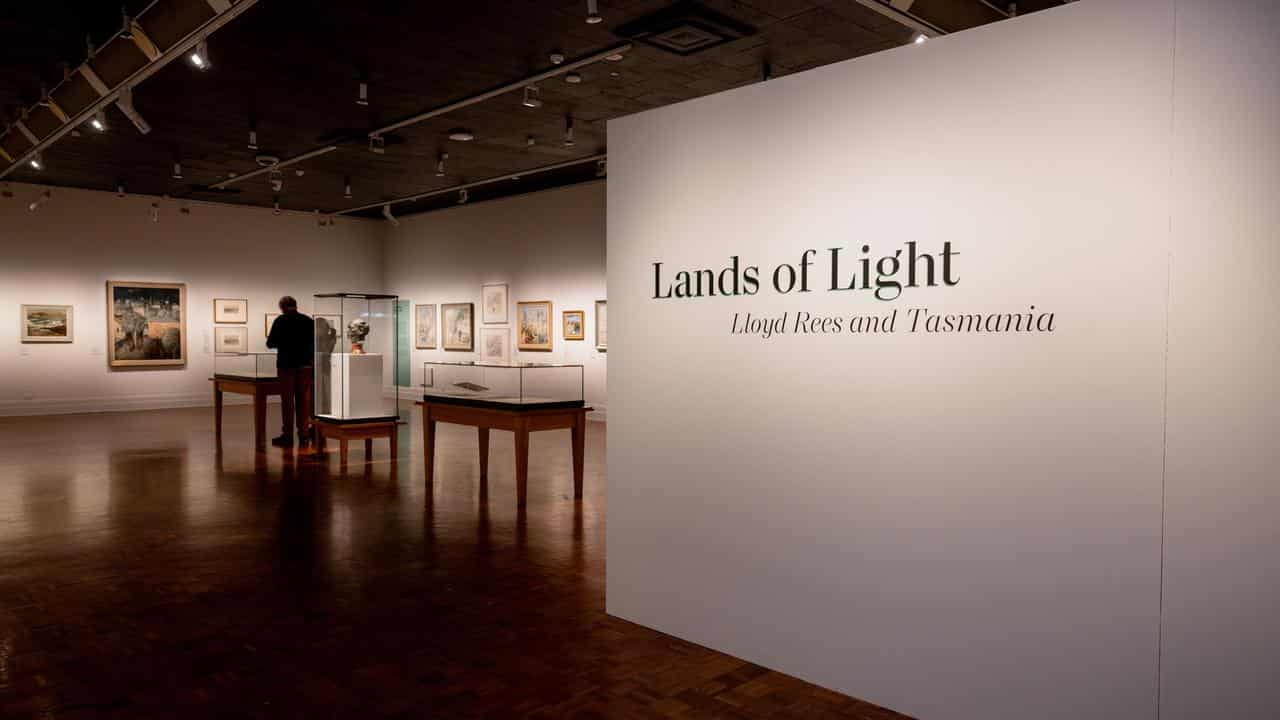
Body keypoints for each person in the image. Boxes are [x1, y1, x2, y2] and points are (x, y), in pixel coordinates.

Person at [266, 296, 315, 448]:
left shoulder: (281, 321)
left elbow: (270, 343)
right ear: (295, 305)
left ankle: (287, 435)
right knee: (303, 402)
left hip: (286, 366)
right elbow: (315, 342)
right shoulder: (308, 321)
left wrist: (284, 342)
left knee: (287, 402)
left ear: (282, 307)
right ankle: (304, 434)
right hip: (305, 366)